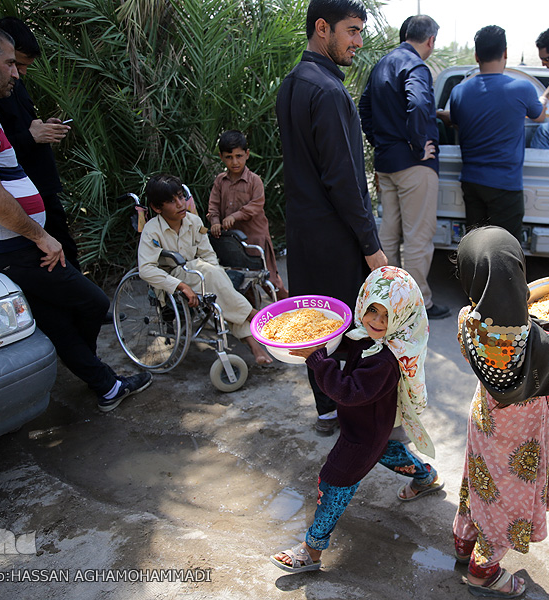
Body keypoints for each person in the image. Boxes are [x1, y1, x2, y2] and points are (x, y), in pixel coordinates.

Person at [0, 22, 151, 412]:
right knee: (89, 302)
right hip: (11, 243)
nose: (17, 74)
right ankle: (85, 367)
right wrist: (40, 236)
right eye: (10, 64)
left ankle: (104, 386)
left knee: (54, 316)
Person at [452, 226, 549, 598]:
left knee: (480, 482)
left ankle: (464, 543)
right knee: (508, 499)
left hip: (485, 422)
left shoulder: (466, 321)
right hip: (522, 436)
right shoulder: (541, 343)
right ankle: (483, 570)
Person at [269, 266, 442, 573]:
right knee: (389, 453)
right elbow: (352, 344)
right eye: (371, 310)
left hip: (363, 434)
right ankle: (425, 477)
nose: (375, 321)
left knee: (334, 480)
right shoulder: (367, 336)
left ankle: (312, 549)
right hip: (374, 427)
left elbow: (347, 392)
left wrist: (317, 359)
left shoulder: (388, 360)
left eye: (386, 315)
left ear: (402, 316)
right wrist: (322, 337)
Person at [276, 0, 388, 434]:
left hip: (304, 234)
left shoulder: (292, 83)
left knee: (316, 328)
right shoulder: (328, 91)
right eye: (352, 31)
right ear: (322, 28)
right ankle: (350, 413)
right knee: (348, 326)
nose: (358, 41)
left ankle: (325, 409)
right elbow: (344, 181)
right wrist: (371, 248)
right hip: (336, 237)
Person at [359, 15, 449, 319]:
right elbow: (420, 103)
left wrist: (380, 142)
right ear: (431, 40)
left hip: (387, 163)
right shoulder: (416, 66)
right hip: (413, 165)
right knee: (417, 236)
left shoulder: (383, 64)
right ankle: (417, 303)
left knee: (390, 233)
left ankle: (388, 299)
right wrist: (417, 143)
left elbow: (364, 107)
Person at [139, 174, 272, 365]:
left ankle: (254, 345)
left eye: (180, 197)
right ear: (157, 207)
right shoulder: (152, 231)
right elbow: (145, 269)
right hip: (172, 278)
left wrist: (216, 274)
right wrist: (181, 286)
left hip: (201, 274)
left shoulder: (194, 222)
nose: (180, 204)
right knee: (209, 274)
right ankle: (254, 317)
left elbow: (208, 254)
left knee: (219, 286)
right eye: (171, 201)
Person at [0, 17, 79, 267]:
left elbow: (21, 126)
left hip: (43, 186)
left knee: (65, 251)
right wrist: (32, 136)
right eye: (14, 64)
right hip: (20, 193)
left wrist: (43, 127)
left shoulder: (14, 85)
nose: (20, 73)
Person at [443, 25, 544, 241]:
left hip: (472, 183)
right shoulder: (523, 89)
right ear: (505, 53)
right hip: (505, 185)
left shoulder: (459, 91)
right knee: (506, 250)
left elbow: (456, 122)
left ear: (477, 55)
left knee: (475, 247)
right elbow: (540, 116)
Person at [207, 130, 288, 300]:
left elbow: (256, 205)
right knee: (241, 280)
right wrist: (215, 221)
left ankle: (288, 307)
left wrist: (234, 216)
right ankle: (252, 315)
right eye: (229, 157)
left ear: (247, 154)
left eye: (239, 156)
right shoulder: (220, 181)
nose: (234, 161)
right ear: (221, 157)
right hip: (231, 241)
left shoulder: (254, 181)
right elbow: (213, 206)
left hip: (255, 239)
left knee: (269, 279)